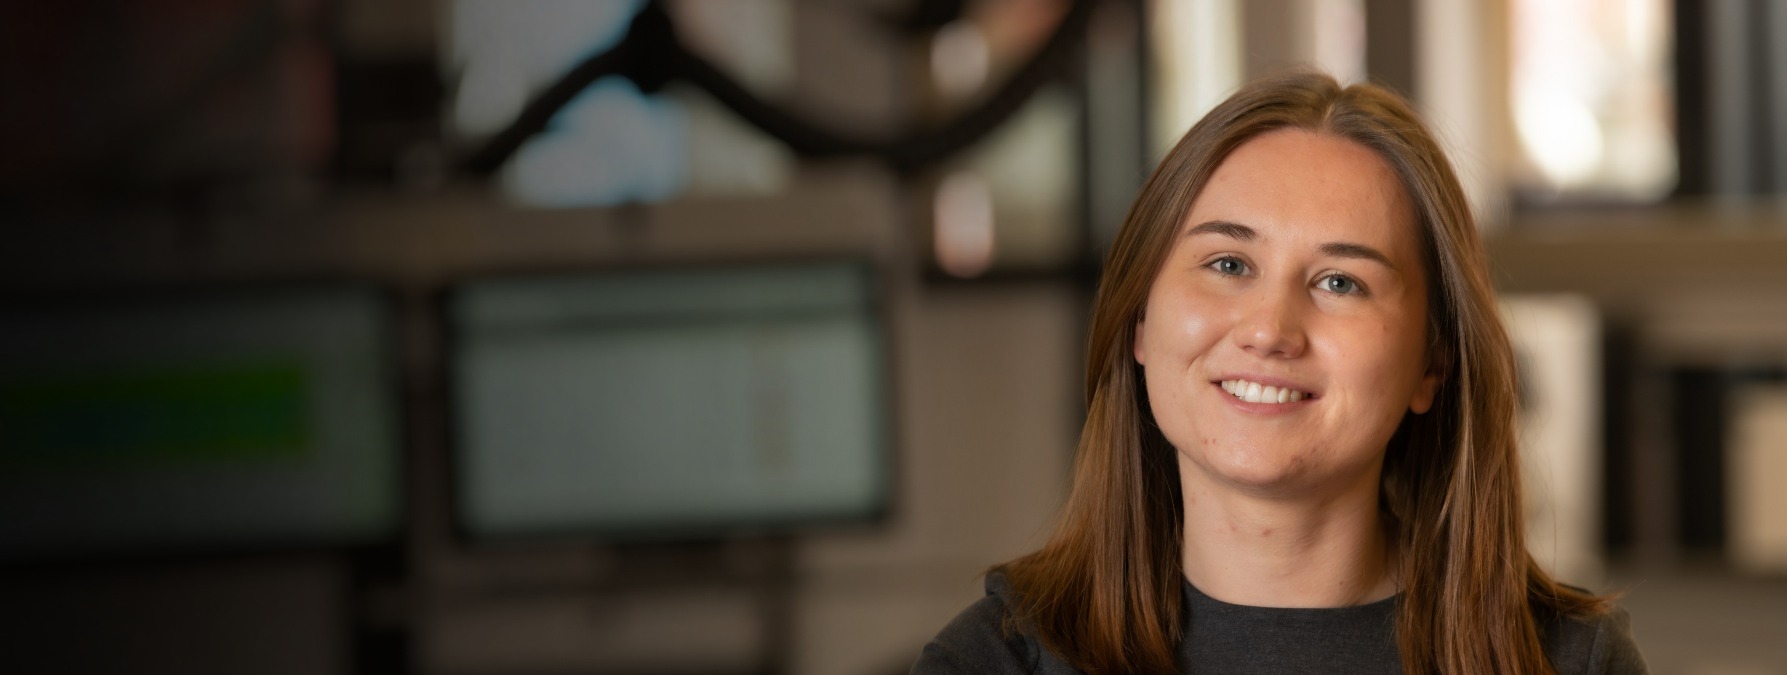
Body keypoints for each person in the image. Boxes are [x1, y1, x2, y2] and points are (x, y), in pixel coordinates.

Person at [910, 71, 1647, 675]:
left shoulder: (1568, 662)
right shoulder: (994, 661)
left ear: (1432, 362)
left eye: (1339, 282)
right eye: (1227, 264)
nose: (1267, 330)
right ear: (1140, 320)